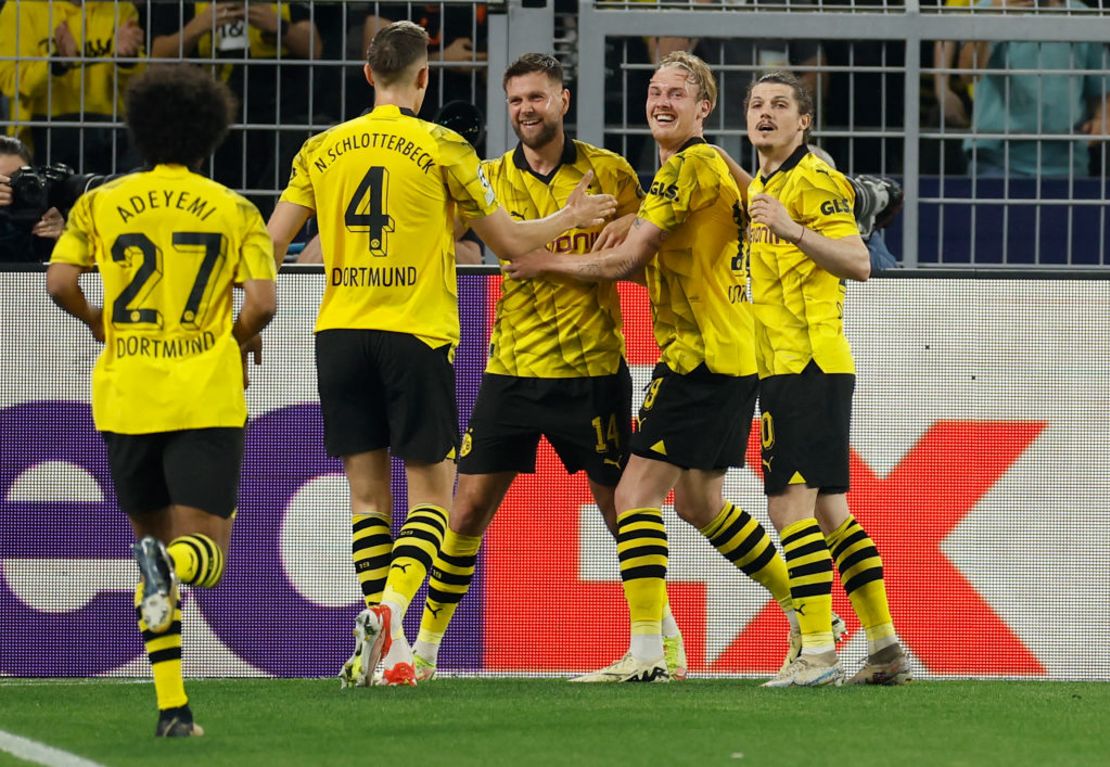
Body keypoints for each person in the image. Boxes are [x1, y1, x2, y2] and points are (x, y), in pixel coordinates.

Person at [266, 21, 616, 688]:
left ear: (368, 74)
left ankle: (377, 650)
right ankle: (392, 613)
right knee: (431, 497)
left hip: (339, 333)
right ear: (423, 77)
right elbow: (512, 245)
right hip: (414, 335)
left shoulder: (321, 148)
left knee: (368, 500)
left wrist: (251, 316)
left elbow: (272, 245)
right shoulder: (442, 145)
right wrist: (568, 220)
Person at [507, 51, 810, 683]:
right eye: (653, 90)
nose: (660, 101)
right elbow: (704, 216)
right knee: (700, 503)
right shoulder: (702, 167)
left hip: (698, 358)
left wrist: (548, 263)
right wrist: (630, 219)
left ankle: (647, 651)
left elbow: (626, 264)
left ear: (703, 108)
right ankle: (812, 621)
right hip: (733, 352)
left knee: (634, 494)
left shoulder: (689, 166)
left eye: (678, 93)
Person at [45, 64, 277, 735]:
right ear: (210, 135)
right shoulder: (235, 209)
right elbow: (262, 302)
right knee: (201, 553)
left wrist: (98, 320)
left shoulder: (101, 204)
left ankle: (173, 706)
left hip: (126, 395)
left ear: (140, 131)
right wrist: (231, 340)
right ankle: (169, 565)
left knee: (147, 551)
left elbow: (59, 282)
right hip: (203, 395)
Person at [741, 71, 911, 687]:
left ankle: (816, 650)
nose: (766, 114)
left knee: (790, 508)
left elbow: (859, 262)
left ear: (803, 121)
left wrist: (792, 229)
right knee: (832, 511)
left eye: (780, 105)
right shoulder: (766, 180)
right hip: (791, 366)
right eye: (757, 104)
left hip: (807, 364)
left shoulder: (814, 179)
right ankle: (885, 644)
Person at [147, 2, 324, 215]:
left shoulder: (284, 6)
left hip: (277, 115)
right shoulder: (183, 6)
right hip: (208, 118)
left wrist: (278, 26)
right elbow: (157, 55)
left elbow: (313, 48)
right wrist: (198, 27)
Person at [960, 0, 1110, 177]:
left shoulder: (1081, 15)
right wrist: (993, 19)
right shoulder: (989, 7)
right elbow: (968, 73)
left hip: (1067, 164)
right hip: (997, 160)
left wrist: (1103, 118)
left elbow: (1101, 89)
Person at [0, 0, 145, 173]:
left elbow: (139, 85)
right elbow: (11, 81)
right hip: (42, 128)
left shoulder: (121, 9)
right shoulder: (20, 8)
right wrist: (56, 64)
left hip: (110, 129)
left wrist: (126, 60)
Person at [0, 135, 65, 262]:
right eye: (2, 180)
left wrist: (65, 240)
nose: (10, 187)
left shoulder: (49, 212)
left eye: (18, 178)